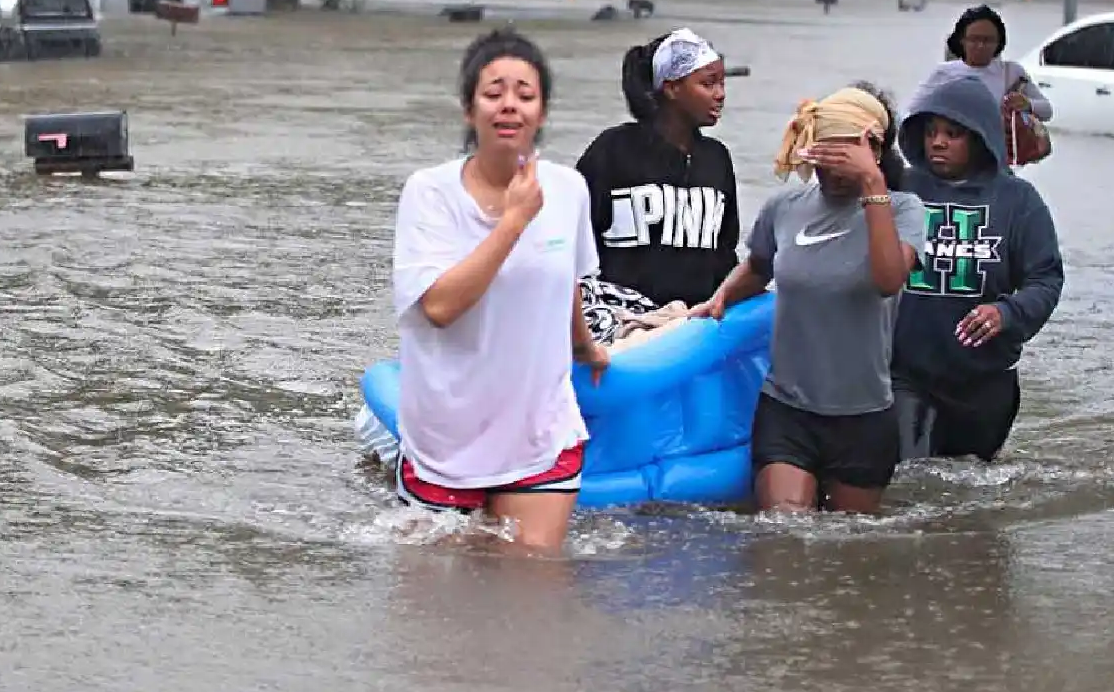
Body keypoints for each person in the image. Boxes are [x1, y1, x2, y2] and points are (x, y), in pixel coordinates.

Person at [389, 27, 610, 552]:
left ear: (543, 112)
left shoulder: (568, 189)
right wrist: (512, 222)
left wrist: (585, 347)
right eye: (493, 93)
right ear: (469, 110)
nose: (509, 105)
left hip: (539, 431)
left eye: (525, 95)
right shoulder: (429, 194)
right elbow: (440, 307)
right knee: (436, 618)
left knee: (529, 605)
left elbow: (566, 281)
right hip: (445, 437)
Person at [692, 84, 926, 514]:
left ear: (873, 150)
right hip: (787, 408)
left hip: (864, 416)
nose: (831, 173)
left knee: (847, 550)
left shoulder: (904, 210)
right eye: (822, 159)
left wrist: (872, 182)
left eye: (842, 161)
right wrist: (720, 296)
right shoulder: (785, 207)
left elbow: (889, 280)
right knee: (784, 533)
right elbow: (759, 266)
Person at [893, 73, 1064, 463]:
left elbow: (1046, 278)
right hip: (909, 374)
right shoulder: (900, 188)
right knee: (909, 477)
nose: (938, 142)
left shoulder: (1018, 201)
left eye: (953, 133)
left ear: (979, 136)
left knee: (967, 492)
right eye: (931, 131)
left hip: (986, 381)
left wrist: (1006, 312)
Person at [575, 27, 740, 311]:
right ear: (672, 88)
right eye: (708, 84)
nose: (720, 94)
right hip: (622, 320)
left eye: (722, 83)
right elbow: (574, 239)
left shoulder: (717, 159)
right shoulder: (612, 150)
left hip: (694, 324)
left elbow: (725, 252)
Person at [909, 5, 1053, 126]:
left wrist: (1028, 104)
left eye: (988, 40)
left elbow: (1047, 111)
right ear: (962, 40)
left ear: (999, 43)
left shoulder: (1012, 73)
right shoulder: (943, 73)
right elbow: (913, 109)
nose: (980, 46)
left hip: (998, 155)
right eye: (974, 39)